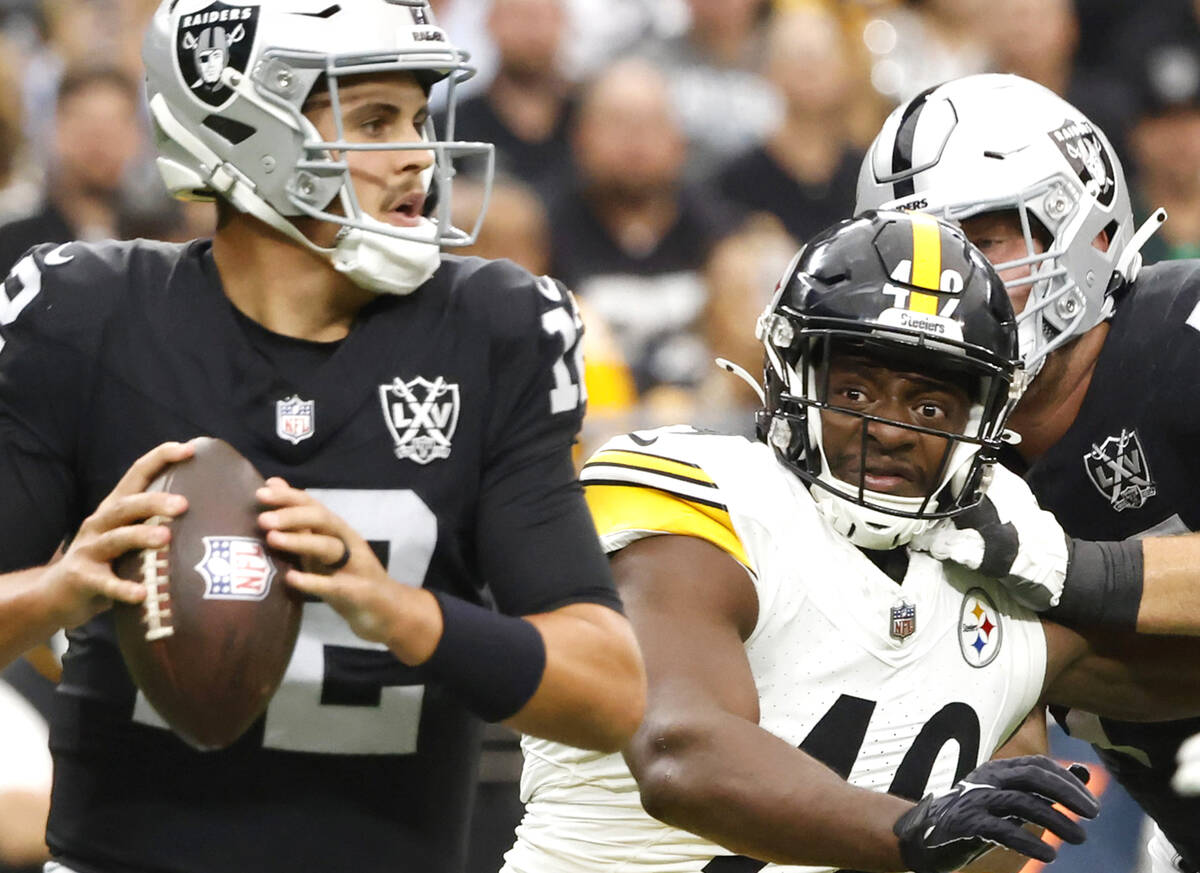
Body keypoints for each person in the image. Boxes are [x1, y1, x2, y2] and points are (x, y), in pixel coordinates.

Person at [0, 3, 646, 873]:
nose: (419, 153)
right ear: (245, 129)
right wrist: (56, 595)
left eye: (420, 117)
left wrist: (405, 613)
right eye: (376, 119)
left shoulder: (494, 327)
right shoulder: (89, 315)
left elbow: (611, 689)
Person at [501, 210, 1200, 873]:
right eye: (858, 392)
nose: (892, 429)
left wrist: (978, 830)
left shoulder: (995, 538)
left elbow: (1144, 678)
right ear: (791, 377)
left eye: (929, 405)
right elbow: (678, 754)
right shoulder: (701, 491)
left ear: (986, 416)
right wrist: (911, 831)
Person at [855, 72, 1200, 873]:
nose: (953, 281)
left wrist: (1064, 569)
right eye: (925, 254)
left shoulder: (1182, 335)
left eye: (983, 238)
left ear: (1079, 220)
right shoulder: (932, 456)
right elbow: (1007, 795)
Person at [0, 65, 143, 277]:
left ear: (136, 137)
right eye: (87, 127)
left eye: (113, 128)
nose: (100, 145)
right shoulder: (13, 246)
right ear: (57, 131)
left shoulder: (159, 238)